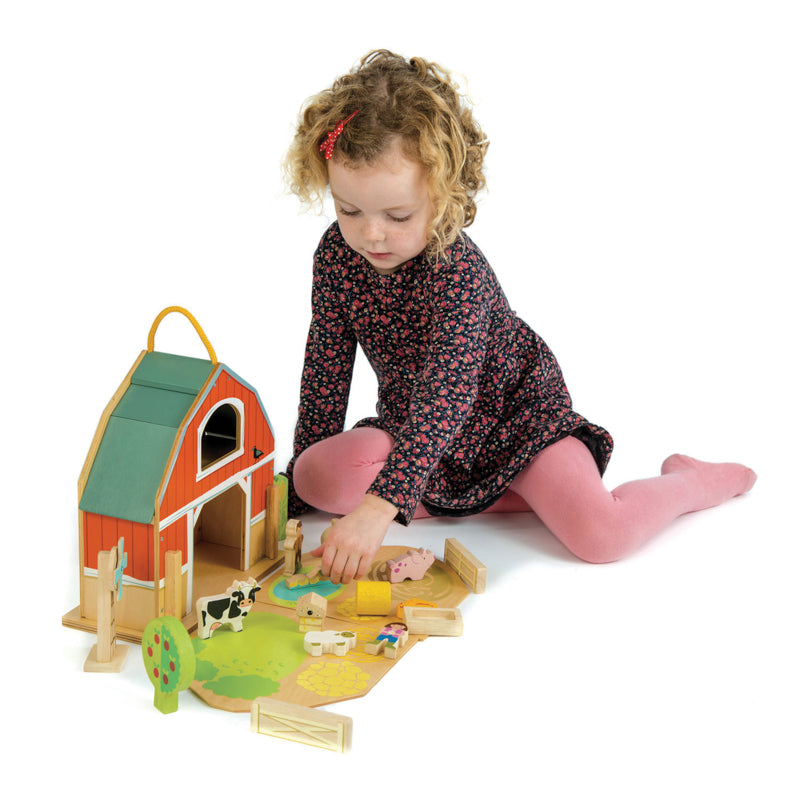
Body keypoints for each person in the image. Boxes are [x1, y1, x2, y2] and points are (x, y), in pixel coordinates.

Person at [281, 50, 756, 584]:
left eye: (398, 215)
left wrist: (379, 506)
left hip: (516, 424)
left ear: (444, 196)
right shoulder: (336, 256)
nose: (371, 234)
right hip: (421, 431)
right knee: (314, 476)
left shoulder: (458, 272)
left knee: (603, 537)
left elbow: (448, 391)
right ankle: (485, 496)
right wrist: (291, 497)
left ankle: (689, 482)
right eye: (348, 210)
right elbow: (325, 368)